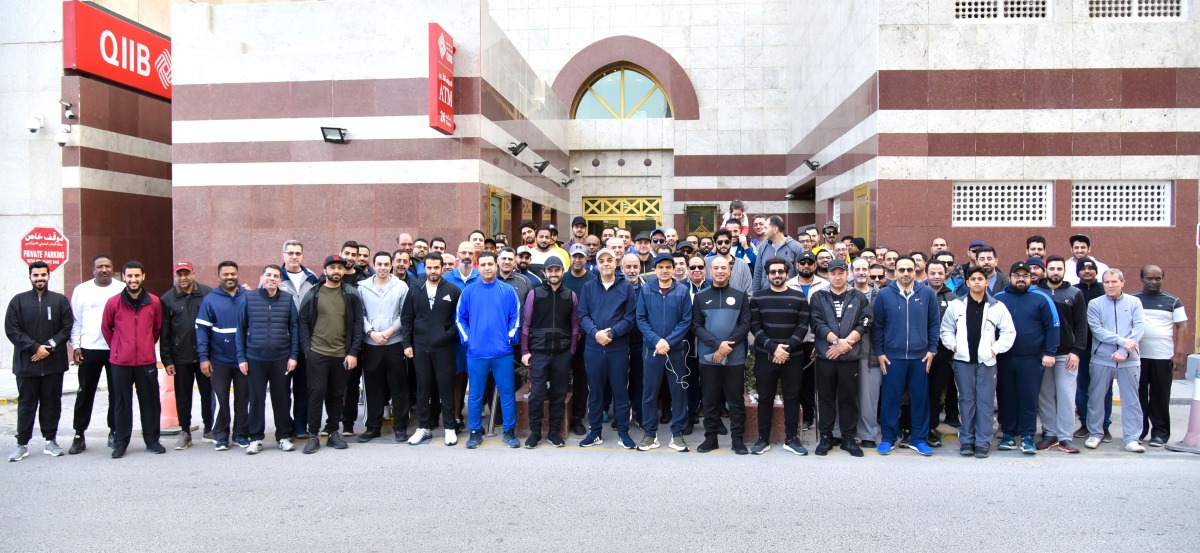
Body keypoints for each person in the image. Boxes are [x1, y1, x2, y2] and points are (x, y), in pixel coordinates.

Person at [939, 266, 1016, 458]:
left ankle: (983, 441)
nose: (976, 282)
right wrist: (954, 346)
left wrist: (995, 349)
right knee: (965, 401)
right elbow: (946, 329)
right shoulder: (957, 305)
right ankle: (966, 440)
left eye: (980, 279)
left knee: (985, 402)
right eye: (972, 279)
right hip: (963, 361)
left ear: (986, 282)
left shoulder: (997, 306)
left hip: (986, 362)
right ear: (967, 283)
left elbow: (1009, 331)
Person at [5, 261, 73, 461]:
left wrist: (49, 347)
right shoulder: (18, 302)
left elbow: (66, 328)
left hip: (53, 365)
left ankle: (50, 441)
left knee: (52, 403)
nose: (40, 278)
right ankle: (22, 444)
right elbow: (12, 330)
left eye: (43, 275)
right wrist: (35, 347)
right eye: (36, 275)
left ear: (48, 276)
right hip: (27, 364)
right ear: (30, 277)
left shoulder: (60, 301)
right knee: (26, 404)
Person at [872, 256, 939, 456]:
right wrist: (880, 353)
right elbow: (878, 326)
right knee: (891, 399)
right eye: (901, 270)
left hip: (920, 357)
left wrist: (932, 349)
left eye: (909, 269)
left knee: (920, 399)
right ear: (895, 271)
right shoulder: (884, 295)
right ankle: (889, 438)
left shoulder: (927, 293)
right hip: (893, 357)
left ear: (916, 270)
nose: (906, 273)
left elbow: (934, 323)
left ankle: (918, 439)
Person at [297, 255, 364, 454]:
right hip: (317, 352)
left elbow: (358, 323)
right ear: (325, 270)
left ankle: (334, 432)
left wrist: (353, 352)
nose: (336, 271)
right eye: (332, 267)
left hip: (341, 354)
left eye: (340, 268)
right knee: (316, 393)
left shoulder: (351, 293)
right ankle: (313, 435)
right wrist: (307, 350)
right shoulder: (314, 293)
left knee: (336, 395)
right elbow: (303, 322)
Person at [457, 251, 522, 449]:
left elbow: (516, 318)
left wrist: (508, 338)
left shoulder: (508, 291)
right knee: (475, 394)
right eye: (483, 264)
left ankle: (509, 431)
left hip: (502, 352)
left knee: (507, 392)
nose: (487, 268)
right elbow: (461, 319)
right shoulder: (468, 292)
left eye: (490, 264)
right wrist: (470, 340)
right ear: (478, 266)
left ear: (496, 266)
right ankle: (475, 432)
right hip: (476, 354)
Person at [994, 261, 1060, 455]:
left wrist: (1050, 352)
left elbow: (1053, 326)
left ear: (1031, 278)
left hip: (1031, 359)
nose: (1021, 279)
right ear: (1011, 277)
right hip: (1004, 358)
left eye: (1025, 275)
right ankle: (1008, 435)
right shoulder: (998, 298)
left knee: (1028, 399)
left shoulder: (1042, 298)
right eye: (1017, 275)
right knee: (1006, 398)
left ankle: (1028, 436)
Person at [100, 261, 165, 458]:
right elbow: (106, 328)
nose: (133, 280)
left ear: (143, 277)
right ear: (124, 278)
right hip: (121, 362)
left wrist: (144, 346)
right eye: (129, 276)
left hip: (146, 362)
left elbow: (156, 329)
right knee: (121, 402)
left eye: (137, 276)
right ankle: (120, 442)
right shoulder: (113, 302)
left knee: (150, 402)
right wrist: (119, 348)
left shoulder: (154, 302)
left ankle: (152, 440)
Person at [748, 257, 810, 455]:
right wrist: (774, 349)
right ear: (767, 275)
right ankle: (762, 439)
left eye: (780, 272)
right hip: (765, 356)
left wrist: (786, 348)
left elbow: (803, 326)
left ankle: (792, 439)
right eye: (773, 272)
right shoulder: (757, 297)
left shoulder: (799, 297)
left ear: (787, 273)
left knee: (792, 397)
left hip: (793, 356)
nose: (777, 275)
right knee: (765, 398)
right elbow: (755, 327)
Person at [578, 248, 638, 449]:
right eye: (601, 260)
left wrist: (611, 333)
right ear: (597, 264)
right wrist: (596, 333)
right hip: (594, 348)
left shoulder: (626, 288)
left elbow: (630, 317)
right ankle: (594, 432)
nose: (605, 263)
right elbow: (583, 315)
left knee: (620, 392)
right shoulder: (588, 287)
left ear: (616, 264)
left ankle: (623, 432)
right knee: (594, 392)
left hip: (618, 349)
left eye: (609, 260)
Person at [808, 258, 869, 457]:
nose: (837, 277)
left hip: (850, 358)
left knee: (848, 399)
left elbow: (865, 323)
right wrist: (836, 342)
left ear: (847, 274)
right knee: (825, 398)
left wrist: (845, 345)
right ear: (828, 275)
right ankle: (826, 437)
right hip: (826, 357)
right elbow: (816, 323)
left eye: (841, 273)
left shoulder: (858, 296)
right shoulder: (819, 296)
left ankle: (848, 439)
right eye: (833, 273)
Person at [236, 264, 299, 454]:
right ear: (262, 278)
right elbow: (240, 329)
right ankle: (255, 438)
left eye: (276, 276)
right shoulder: (249, 298)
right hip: (255, 357)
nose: (272, 279)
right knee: (256, 399)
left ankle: (283, 436)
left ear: (280, 280)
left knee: (282, 399)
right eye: (268, 275)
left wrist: (293, 356)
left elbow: (294, 328)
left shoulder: (287, 300)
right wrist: (241, 357)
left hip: (281, 358)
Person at [692, 257, 751, 454]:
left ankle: (737, 440)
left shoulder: (741, 295)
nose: (719, 271)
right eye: (715, 268)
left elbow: (744, 325)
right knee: (709, 400)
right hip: (709, 357)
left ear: (730, 271)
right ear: (710, 271)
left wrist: (727, 347)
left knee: (735, 400)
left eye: (723, 268)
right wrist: (718, 346)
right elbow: (696, 326)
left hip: (735, 357)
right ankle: (711, 438)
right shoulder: (701, 297)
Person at [401, 254, 461, 446]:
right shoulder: (415, 289)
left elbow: (460, 319)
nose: (433, 271)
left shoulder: (453, 290)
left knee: (445, 388)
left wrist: (446, 335)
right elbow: (407, 318)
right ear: (424, 269)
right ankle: (423, 428)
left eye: (436, 267)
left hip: (444, 348)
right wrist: (406, 344)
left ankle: (450, 428)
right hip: (420, 346)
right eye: (429, 268)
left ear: (443, 268)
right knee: (422, 388)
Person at [635, 253, 693, 452]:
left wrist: (668, 341)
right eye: (661, 267)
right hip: (652, 350)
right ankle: (650, 434)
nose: (665, 270)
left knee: (678, 392)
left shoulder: (682, 291)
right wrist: (656, 340)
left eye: (669, 266)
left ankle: (677, 434)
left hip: (675, 350)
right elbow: (641, 319)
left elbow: (686, 320)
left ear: (674, 268)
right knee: (649, 392)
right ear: (656, 269)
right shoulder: (646, 289)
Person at [520, 256, 580, 448]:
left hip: (562, 353)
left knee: (558, 394)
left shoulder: (570, 295)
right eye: (550, 270)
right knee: (537, 394)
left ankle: (554, 432)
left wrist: (571, 350)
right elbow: (526, 325)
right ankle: (535, 432)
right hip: (539, 352)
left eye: (557, 270)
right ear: (544, 273)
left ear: (563, 272)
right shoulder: (535, 294)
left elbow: (575, 327)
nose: (554, 274)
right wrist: (525, 351)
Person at [1085, 269, 1146, 453]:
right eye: (1106, 282)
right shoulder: (1095, 304)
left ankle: (1131, 438)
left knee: (1131, 400)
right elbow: (1097, 330)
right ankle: (1095, 434)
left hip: (1129, 359)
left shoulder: (1134, 302)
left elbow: (1139, 328)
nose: (1110, 285)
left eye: (1114, 282)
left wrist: (1124, 350)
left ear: (1122, 282)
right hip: (1102, 358)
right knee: (1096, 398)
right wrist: (1122, 342)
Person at [67, 254, 123, 454]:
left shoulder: (120, 288)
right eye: (100, 266)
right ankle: (78, 434)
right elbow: (76, 321)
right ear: (93, 270)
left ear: (112, 268)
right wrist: (76, 346)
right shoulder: (81, 290)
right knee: (85, 393)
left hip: (114, 350)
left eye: (108, 266)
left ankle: (114, 432)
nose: (104, 270)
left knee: (116, 394)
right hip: (89, 349)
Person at [1034, 255, 1087, 453]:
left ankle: (1065, 437)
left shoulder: (1075, 293)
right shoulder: (1037, 292)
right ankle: (1050, 433)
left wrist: (1076, 351)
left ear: (1064, 271)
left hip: (1066, 354)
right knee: (1045, 395)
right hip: (1042, 354)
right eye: (1052, 268)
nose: (1055, 272)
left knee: (1066, 395)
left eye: (1059, 268)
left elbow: (1081, 325)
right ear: (1046, 270)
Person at [159, 260, 214, 450]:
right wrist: (167, 359)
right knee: (183, 396)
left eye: (186, 274)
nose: (183, 278)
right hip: (180, 356)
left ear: (193, 274)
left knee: (208, 393)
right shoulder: (167, 299)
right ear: (175, 276)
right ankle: (185, 431)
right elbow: (164, 332)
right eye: (179, 274)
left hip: (204, 356)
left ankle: (209, 428)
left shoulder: (208, 294)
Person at [195, 261, 249, 451]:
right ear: (219, 276)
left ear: (237, 274)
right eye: (225, 274)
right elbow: (202, 330)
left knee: (243, 398)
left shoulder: (247, 297)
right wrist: (204, 357)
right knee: (220, 400)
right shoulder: (211, 299)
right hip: (219, 359)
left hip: (243, 359)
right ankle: (221, 436)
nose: (229, 277)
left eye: (233, 274)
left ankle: (241, 434)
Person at [356, 252, 409, 443]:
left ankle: (400, 427)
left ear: (391, 265)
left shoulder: (400, 286)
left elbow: (405, 314)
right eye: (379, 264)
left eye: (387, 264)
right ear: (374, 265)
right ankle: (373, 427)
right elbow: (359, 315)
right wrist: (371, 333)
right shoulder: (362, 287)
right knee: (373, 387)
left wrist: (388, 333)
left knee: (399, 386)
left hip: (394, 342)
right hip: (371, 344)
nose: (383, 267)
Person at [1132, 265, 1187, 448]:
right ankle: (1138, 431)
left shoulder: (1173, 301)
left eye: (1157, 278)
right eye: (1149, 278)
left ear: (1163, 278)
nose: (1154, 282)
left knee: (1160, 396)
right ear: (1141, 278)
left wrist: (1178, 354)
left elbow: (1182, 327)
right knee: (1137, 395)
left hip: (1163, 357)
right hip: (1137, 357)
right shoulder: (1133, 300)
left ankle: (1160, 433)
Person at [278, 240, 318, 439]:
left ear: (303, 255)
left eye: (298, 253)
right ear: (283, 255)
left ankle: (301, 425)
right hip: (281, 342)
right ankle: (285, 426)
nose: (294, 256)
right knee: (283, 388)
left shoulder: (311, 278)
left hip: (305, 341)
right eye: (290, 252)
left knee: (303, 387)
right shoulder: (274, 277)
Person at [1072, 256, 1112, 441]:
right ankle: (1085, 424)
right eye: (1083, 268)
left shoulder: (1105, 291)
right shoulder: (1073, 291)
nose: (1087, 270)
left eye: (1091, 267)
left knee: (1105, 389)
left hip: (1103, 348)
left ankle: (1104, 426)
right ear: (1077, 271)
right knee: (1082, 388)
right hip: (1081, 348)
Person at [922, 260, 958, 446]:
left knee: (936, 395)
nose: (937, 276)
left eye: (940, 273)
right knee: (917, 394)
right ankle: (914, 429)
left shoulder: (953, 298)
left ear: (945, 274)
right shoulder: (918, 293)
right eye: (933, 273)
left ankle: (931, 429)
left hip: (943, 355)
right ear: (926, 274)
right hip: (919, 353)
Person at [562, 243, 596, 435]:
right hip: (564, 337)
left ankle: (578, 417)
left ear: (585, 259)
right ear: (570, 257)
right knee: (561, 378)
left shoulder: (592, 279)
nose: (577, 260)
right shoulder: (563, 278)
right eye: (574, 256)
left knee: (582, 378)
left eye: (580, 257)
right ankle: (561, 416)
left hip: (585, 337)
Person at [851, 257, 883, 447]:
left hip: (871, 353)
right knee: (847, 395)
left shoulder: (880, 295)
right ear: (851, 271)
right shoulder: (844, 293)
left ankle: (868, 435)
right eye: (857, 269)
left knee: (869, 398)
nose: (861, 272)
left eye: (864, 268)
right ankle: (845, 432)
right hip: (846, 351)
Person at [753, 215, 802, 291]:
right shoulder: (763, 246)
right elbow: (758, 273)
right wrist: (755, 295)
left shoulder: (796, 247)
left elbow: (800, 274)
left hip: (789, 295)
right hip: (766, 295)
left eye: (766, 228)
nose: (763, 231)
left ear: (775, 229)